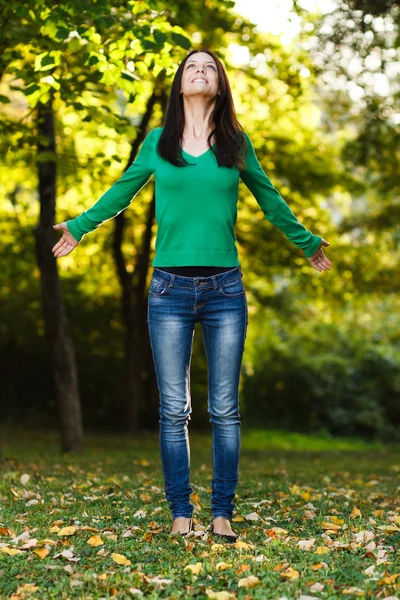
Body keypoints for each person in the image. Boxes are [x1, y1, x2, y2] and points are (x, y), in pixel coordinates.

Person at [52, 48, 331, 542]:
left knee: (224, 409)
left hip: (225, 288)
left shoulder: (236, 144)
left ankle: (221, 511)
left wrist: (306, 243)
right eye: (191, 67)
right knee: (173, 409)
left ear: (219, 85)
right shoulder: (158, 142)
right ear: (180, 84)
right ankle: (181, 510)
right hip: (169, 291)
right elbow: (123, 190)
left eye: (209, 68)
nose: (200, 72)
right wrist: (80, 226)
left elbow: (269, 197)